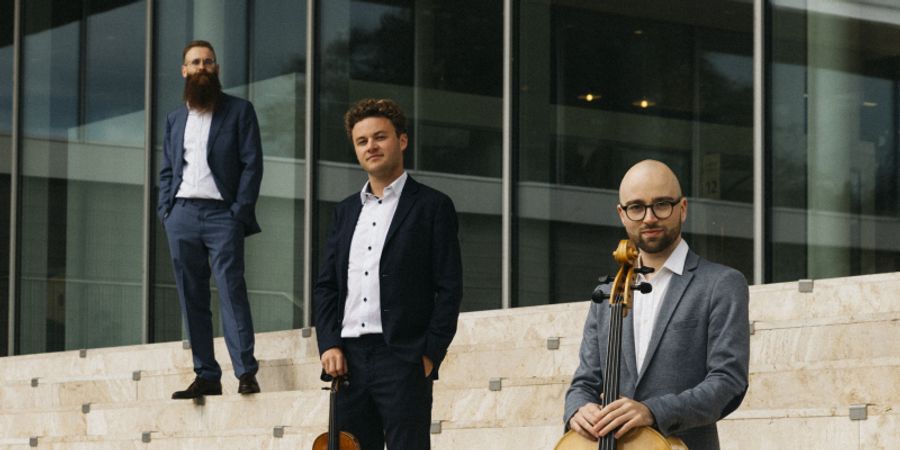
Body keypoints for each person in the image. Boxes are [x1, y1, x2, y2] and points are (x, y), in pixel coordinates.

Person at [564, 160, 750, 450]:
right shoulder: (607, 294)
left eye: (661, 204)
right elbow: (585, 382)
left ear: (683, 208)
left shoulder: (721, 284)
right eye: (636, 207)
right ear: (622, 214)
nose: (649, 218)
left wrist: (653, 411)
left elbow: (728, 382)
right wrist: (578, 408)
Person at [313, 98, 463, 449]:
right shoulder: (344, 212)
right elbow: (326, 286)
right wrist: (329, 343)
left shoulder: (432, 206)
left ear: (402, 141)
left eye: (380, 137)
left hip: (403, 358)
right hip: (347, 362)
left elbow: (449, 288)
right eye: (362, 141)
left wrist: (429, 355)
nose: (371, 147)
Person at [157, 40, 263, 399]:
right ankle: (206, 375)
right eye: (195, 62)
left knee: (232, 291)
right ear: (184, 71)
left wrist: (239, 213)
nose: (202, 67)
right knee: (192, 296)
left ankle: (245, 371)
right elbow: (168, 170)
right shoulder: (174, 119)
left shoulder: (239, 111)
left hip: (223, 215)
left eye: (208, 62)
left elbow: (252, 164)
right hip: (182, 213)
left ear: (215, 69)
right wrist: (166, 211)